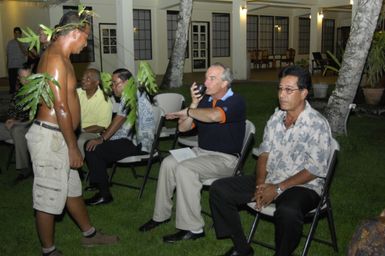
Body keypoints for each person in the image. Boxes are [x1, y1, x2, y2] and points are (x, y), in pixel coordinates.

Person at [209, 65, 332, 256]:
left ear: (304, 93)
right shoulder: (276, 118)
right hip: (271, 178)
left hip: (304, 186)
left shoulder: (317, 124)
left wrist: (278, 188)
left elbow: (314, 170)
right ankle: (242, 248)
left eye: (289, 90)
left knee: (289, 211)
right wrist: (260, 185)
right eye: (280, 89)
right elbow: (264, 153)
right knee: (219, 189)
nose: (282, 94)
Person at [25, 11, 118, 256]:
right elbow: (61, 106)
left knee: (70, 190)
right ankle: (49, 250)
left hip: (60, 136)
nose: (86, 44)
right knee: (48, 197)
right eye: (86, 38)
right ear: (75, 33)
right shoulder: (56, 59)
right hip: (52, 138)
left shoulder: (58, 55)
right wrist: (73, 146)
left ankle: (90, 235)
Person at [139, 63, 246, 243]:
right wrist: (194, 103)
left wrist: (188, 110)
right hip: (201, 152)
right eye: (206, 77)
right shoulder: (204, 100)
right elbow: (183, 128)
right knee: (168, 163)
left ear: (225, 83)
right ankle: (161, 215)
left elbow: (214, 116)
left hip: (225, 159)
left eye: (212, 78)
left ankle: (193, 228)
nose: (205, 82)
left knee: (186, 169)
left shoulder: (236, 101)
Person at [84, 68, 155, 206]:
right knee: (91, 144)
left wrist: (102, 138)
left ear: (127, 82)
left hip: (139, 143)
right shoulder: (133, 92)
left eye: (116, 83)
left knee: (94, 148)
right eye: (112, 83)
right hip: (130, 138)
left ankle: (104, 193)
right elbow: (121, 120)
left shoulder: (132, 95)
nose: (113, 87)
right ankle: (99, 181)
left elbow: (120, 118)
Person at [0, 63, 32, 182]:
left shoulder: (37, 91)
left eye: (28, 77)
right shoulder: (18, 92)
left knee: (17, 130)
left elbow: (34, 114)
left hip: (30, 124)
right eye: (23, 77)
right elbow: (12, 109)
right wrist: (10, 118)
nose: (26, 80)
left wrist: (16, 120)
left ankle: (25, 169)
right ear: (19, 78)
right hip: (16, 124)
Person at [77, 68, 112, 157]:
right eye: (83, 78)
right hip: (75, 129)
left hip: (93, 133)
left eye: (88, 78)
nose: (83, 80)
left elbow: (100, 127)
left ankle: (77, 166)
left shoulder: (104, 100)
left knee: (79, 140)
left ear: (97, 82)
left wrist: (80, 131)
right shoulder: (77, 93)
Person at [6, 27, 28, 94]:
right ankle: (12, 95)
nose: (16, 35)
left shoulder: (24, 42)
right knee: (12, 84)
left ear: (21, 34)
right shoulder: (10, 43)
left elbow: (25, 53)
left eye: (18, 33)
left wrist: (19, 42)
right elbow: (8, 55)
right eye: (15, 33)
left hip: (20, 65)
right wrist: (7, 65)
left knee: (21, 85)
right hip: (11, 66)